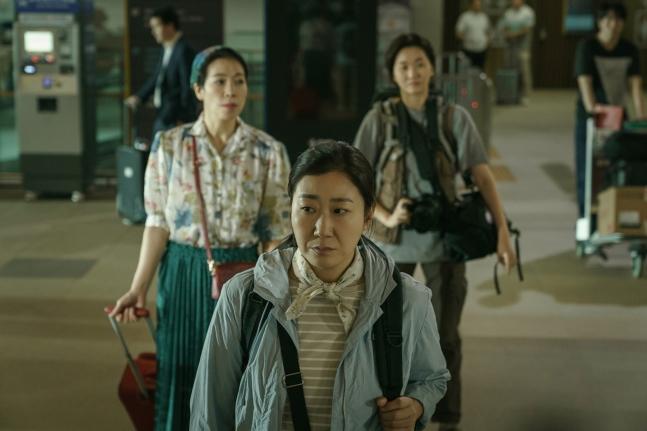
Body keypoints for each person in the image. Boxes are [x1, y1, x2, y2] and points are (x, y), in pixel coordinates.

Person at [190, 141, 450, 430]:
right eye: (308, 208)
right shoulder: (245, 296)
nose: (322, 228)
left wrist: (416, 405)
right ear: (290, 209)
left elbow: (432, 378)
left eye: (340, 210)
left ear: (367, 216)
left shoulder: (407, 300)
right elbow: (209, 412)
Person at [110, 46, 292, 430]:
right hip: (183, 272)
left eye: (239, 81)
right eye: (219, 81)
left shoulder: (268, 151)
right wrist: (138, 288)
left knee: (238, 374)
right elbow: (158, 223)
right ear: (198, 89)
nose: (230, 91)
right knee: (182, 369)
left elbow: (274, 233)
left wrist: (275, 292)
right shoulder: (170, 145)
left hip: (245, 276)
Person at [353, 33, 517, 431]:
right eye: (403, 66)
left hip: (444, 242)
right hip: (392, 247)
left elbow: (483, 175)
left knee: (445, 337)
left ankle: (447, 417)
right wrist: (386, 216)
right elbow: (356, 176)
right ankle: (391, 416)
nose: (412, 73)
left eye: (419, 64)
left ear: (431, 69)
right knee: (387, 335)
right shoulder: (380, 120)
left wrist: (502, 231)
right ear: (393, 74)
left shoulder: (452, 118)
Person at [574, 2, 644, 217]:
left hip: (620, 116)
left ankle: (615, 215)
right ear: (599, 22)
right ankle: (586, 219)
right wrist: (593, 110)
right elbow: (585, 82)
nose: (613, 25)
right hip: (592, 119)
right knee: (588, 169)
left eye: (618, 20)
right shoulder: (588, 47)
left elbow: (635, 87)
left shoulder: (629, 50)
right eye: (608, 19)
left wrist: (641, 117)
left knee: (620, 167)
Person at [125, 6, 196, 135]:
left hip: (175, 118)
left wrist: (184, 118)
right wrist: (139, 96)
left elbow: (187, 86)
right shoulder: (167, 48)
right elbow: (157, 77)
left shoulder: (183, 50)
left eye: (156, 26)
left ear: (170, 26)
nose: (153, 32)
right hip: (164, 113)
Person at [498, 0, 535, 103]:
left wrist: (513, 34)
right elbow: (503, 27)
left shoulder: (528, 12)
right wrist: (507, 33)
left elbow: (527, 29)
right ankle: (512, 94)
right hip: (510, 47)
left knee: (524, 71)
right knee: (511, 70)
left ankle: (526, 95)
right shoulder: (508, 13)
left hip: (523, 47)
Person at [455, 0, 492, 70]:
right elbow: (459, 33)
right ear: (471, 5)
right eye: (476, 5)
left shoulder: (484, 17)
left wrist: (487, 42)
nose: (478, 6)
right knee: (467, 70)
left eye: (479, 5)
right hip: (468, 50)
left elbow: (488, 32)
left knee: (480, 70)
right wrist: (467, 39)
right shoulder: (465, 17)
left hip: (481, 49)